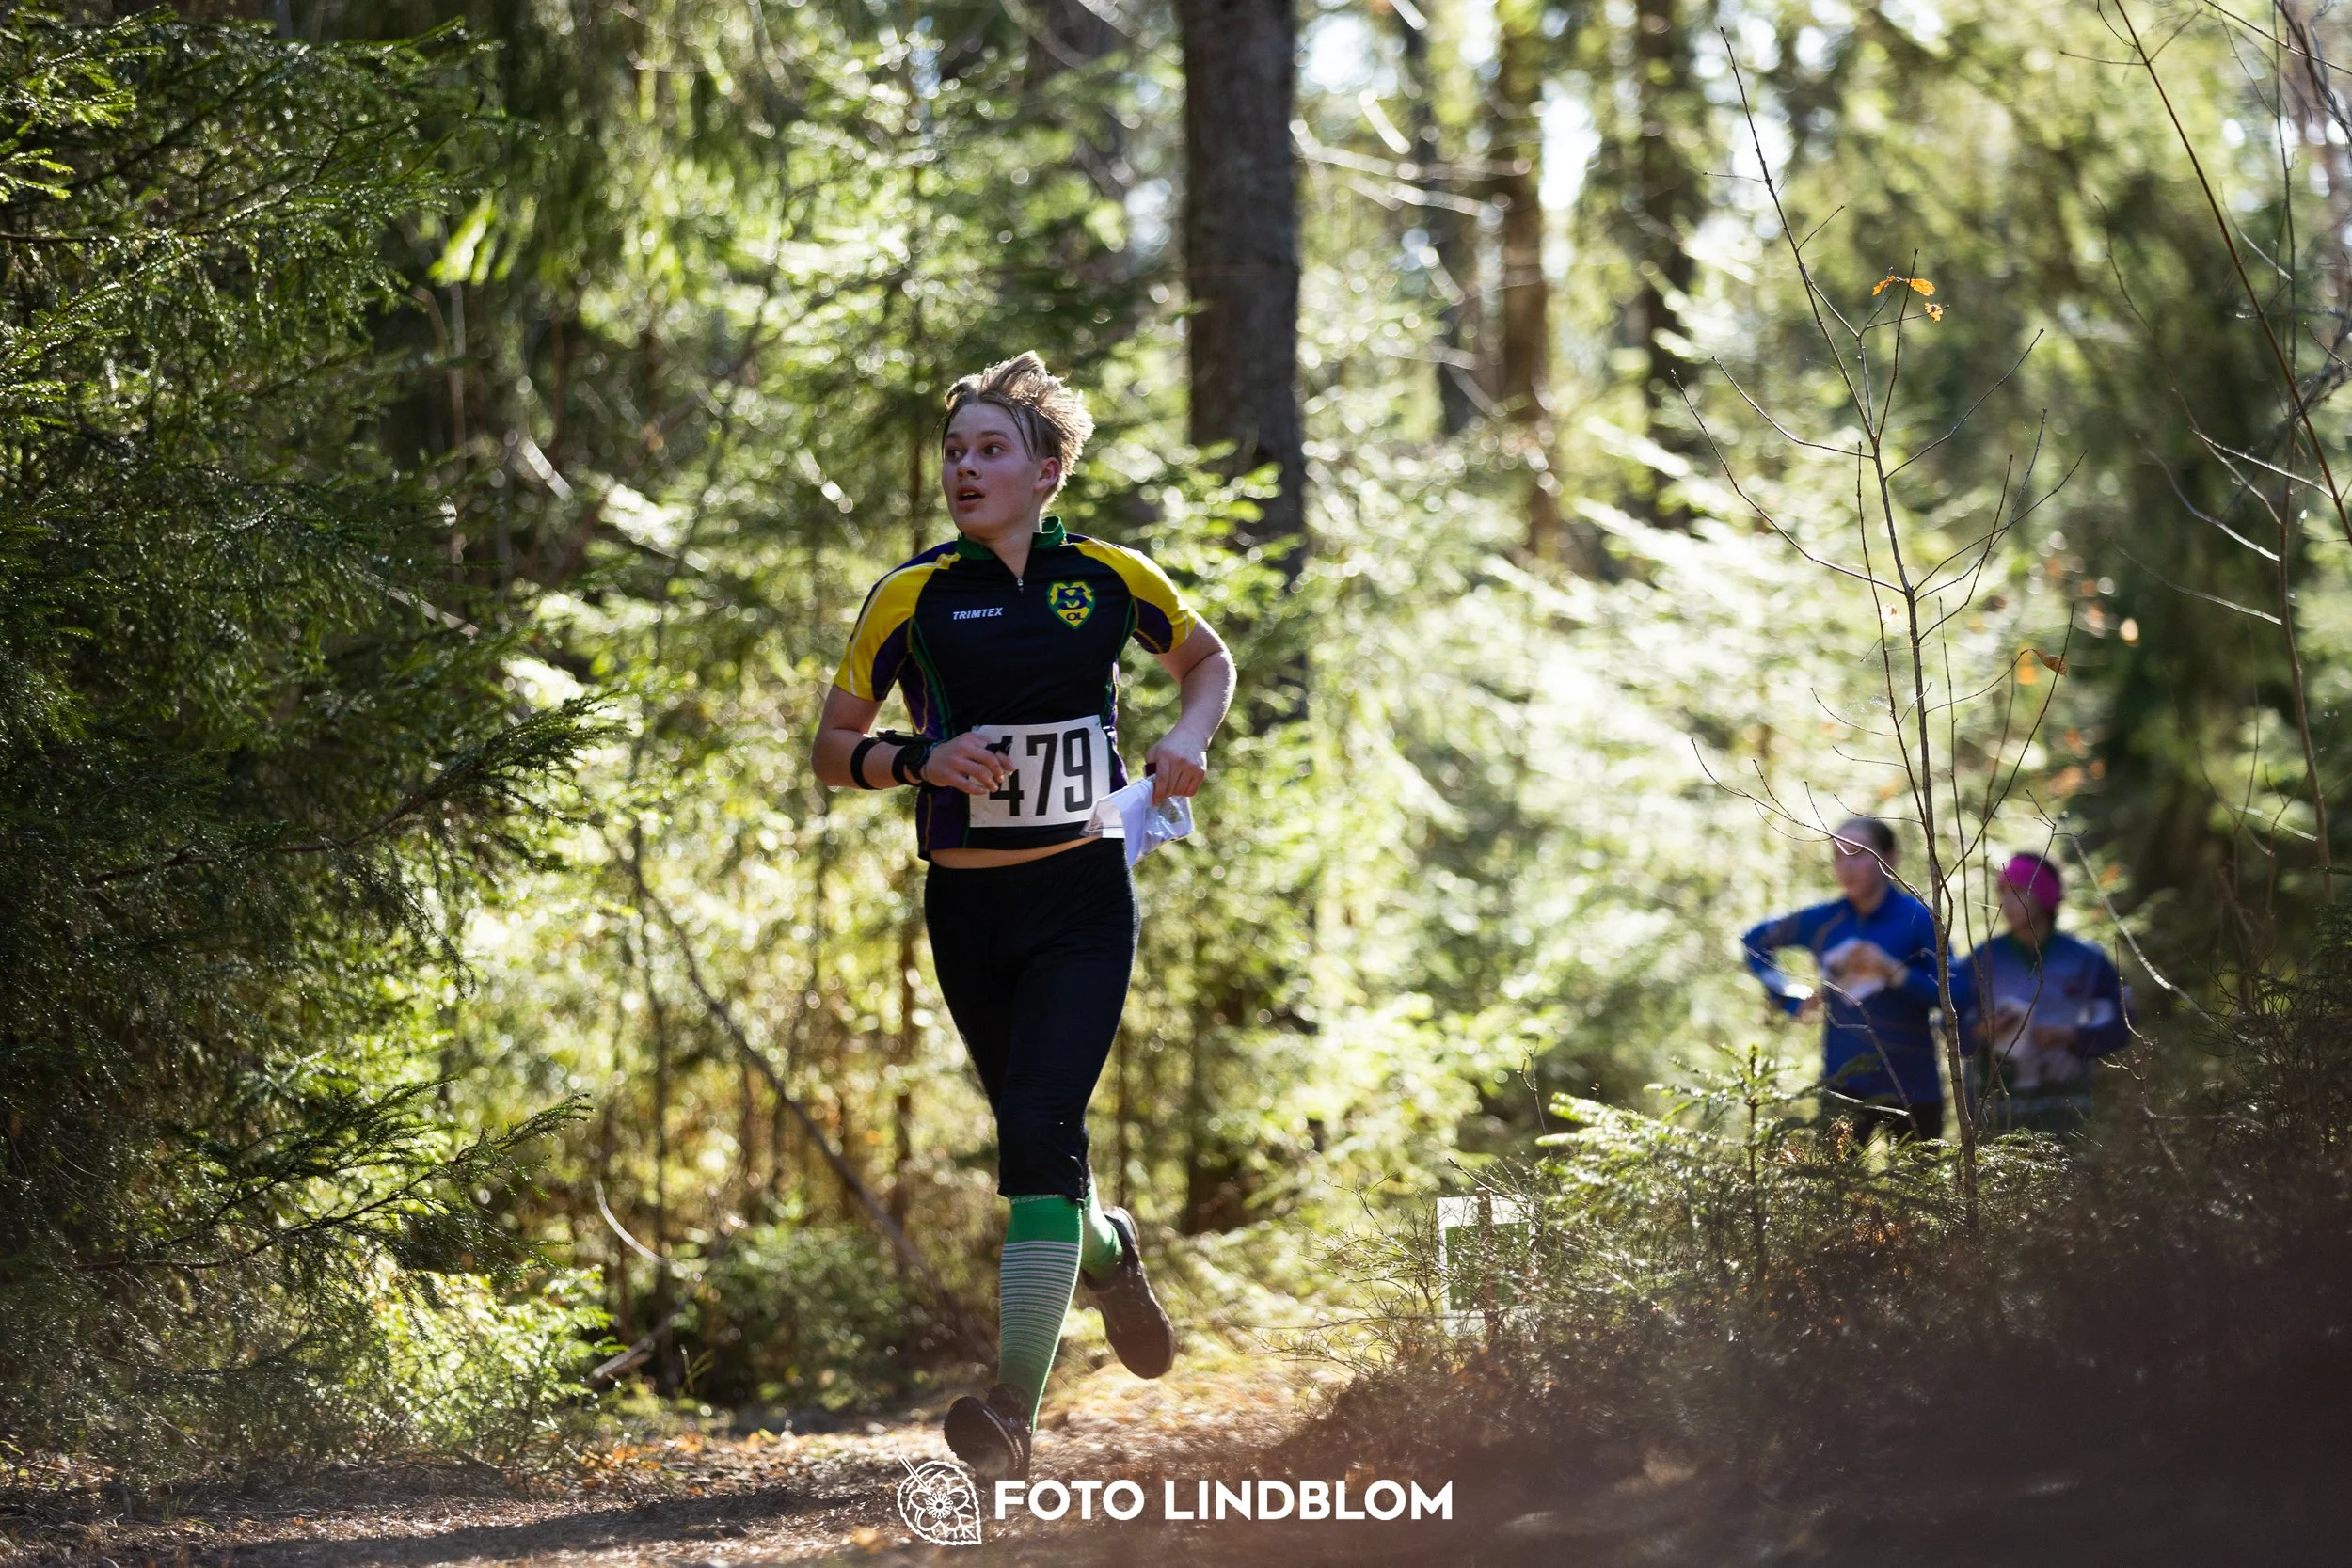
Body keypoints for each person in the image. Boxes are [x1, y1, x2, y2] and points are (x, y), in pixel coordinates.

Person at [811, 353, 1236, 1481]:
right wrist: (917, 756)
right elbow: (829, 746)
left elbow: (1208, 661)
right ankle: (1105, 1247)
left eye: (990, 449)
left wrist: (1188, 739)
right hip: (967, 909)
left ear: (1047, 470)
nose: (964, 467)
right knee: (1038, 1148)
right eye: (953, 452)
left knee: (1040, 1123)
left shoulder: (1105, 576)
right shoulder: (912, 594)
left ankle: (1010, 1408)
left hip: (1083, 898)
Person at [1742, 816, 1948, 1141]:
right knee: (1835, 1189)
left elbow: (1955, 996)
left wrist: (1893, 972)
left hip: (1914, 1086)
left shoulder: (1919, 918)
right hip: (1843, 1083)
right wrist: (1789, 996)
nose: (1845, 866)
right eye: (1837, 856)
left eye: (1856, 853)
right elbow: (1754, 942)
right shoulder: (1824, 920)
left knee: (1923, 1188)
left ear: (1889, 858)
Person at [1950, 852, 2130, 1135]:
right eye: (2002, 891)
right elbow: (1951, 1026)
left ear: (2045, 896)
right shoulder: (1980, 960)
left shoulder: (2087, 961)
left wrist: (2070, 1036)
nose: (2007, 902)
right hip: (1999, 1115)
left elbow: (2121, 1026)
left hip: (2070, 1109)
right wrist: (1982, 1031)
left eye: (2019, 891)